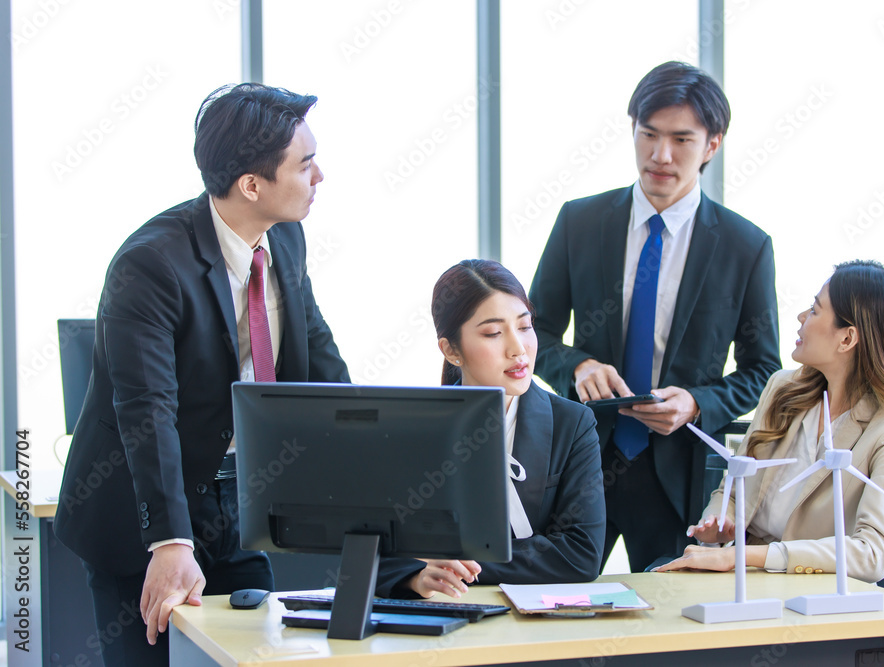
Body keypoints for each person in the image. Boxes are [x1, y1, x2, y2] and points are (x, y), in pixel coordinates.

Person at [53, 83, 351, 664]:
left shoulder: (285, 236)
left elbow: (318, 355)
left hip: (239, 493)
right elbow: (147, 409)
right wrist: (169, 541)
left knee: (256, 653)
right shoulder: (151, 264)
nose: (321, 177)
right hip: (142, 507)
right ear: (251, 185)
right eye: (307, 164)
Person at [528, 61, 781, 572]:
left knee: (670, 626)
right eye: (648, 135)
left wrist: (696, 402)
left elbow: (763, 368)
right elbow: (535, 333)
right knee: (547, 604)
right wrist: (577, 368)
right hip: (582, 455)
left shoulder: (744, 246)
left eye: (681, 139)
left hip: (678, 472)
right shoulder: (580, 222)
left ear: (712, 145)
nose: (660, 155)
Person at [655, 260, 884, 583]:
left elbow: (872, 554)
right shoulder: (783, 389)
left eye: (815, 310)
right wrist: (719, 522)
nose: (802, 318)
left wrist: (739, 557)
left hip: (812, 601)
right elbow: (734, 490)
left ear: (847, 339)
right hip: (742, 583)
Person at [376, 259, 605, 598]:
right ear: (451, 350)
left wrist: (457, 565)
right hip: (447, 616)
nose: (518, 349)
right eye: (494, 333)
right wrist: (415, 577)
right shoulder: (413, 427)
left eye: (525, 327)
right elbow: (375, 552)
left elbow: (580, 554)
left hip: (540, 622)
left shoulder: (573, 423)